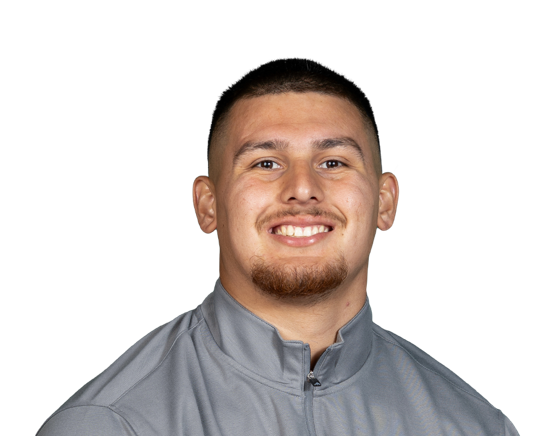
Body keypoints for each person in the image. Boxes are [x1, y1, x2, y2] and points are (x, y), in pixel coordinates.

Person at [37, 58, 519, 435]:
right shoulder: (110, 425)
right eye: (265, 163)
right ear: (207, 205)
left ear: (385, 201)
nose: (302, 189)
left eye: (333, 162)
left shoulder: (476, 426)